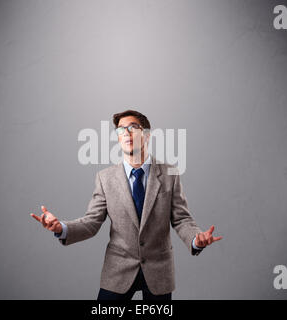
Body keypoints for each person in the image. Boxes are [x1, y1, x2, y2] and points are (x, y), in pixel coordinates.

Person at [30, 109, 223, 300]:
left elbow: (181, 219)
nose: (126, 133)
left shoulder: (170, 173)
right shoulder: (105, 178)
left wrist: (195, 239)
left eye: (132, 127)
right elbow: (91, 222)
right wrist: (61, 228)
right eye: (120, 130)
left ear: (147, 135)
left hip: (159, 271)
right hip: (118, 270)